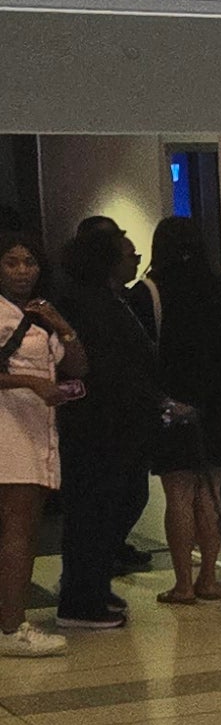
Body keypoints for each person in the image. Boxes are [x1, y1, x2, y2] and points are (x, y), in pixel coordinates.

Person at [49, 219, 164, 633]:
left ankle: (91, 584)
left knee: (120, 501)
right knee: (95, 508)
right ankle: (81, 596)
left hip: (122, 423)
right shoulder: (86, 303)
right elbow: (101, 366)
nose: (135, 261)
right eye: (128, 255)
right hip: (99, 424)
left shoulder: (114, 301)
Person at [146, 214, 221, 605]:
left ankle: (182, 583)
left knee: (179, 494)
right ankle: (208, 576)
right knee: (211, 491)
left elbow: (144, 354)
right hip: (219, 404)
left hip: (172, 404)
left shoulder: (152, 291)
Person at [0, 225, 77, 659]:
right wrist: (30, 382)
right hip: (9, 434)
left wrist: (61, 326)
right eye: (12, 261)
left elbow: (78, 364)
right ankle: (13, 627)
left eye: (30, 262)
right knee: (18, 532)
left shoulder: (39, 314)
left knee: (22, 531)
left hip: (35, 434)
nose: (23, 270)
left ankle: (10, 620)